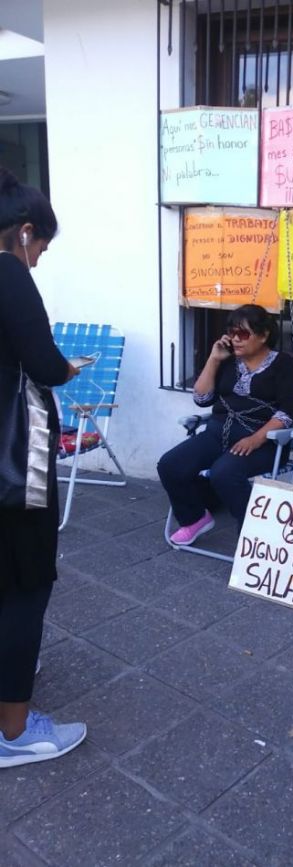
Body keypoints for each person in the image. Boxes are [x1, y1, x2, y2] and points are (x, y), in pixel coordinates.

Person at [0, 168, 87, 767]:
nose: (37, 262)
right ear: (25, 232)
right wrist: (68, 368)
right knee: (26, 584)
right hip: (10, 464)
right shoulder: (6, 271)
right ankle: (15, 732)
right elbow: (44, 362)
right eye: (42, 250)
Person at [158, 304, 293, 544]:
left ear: (264, 334)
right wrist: (214, 359)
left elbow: (287, 413)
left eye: (243, 334)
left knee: (224, 473)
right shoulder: (227, 361)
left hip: (263, 441)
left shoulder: (284, 365)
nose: (235, 339)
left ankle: (252, 535)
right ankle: (194, 518)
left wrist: (256, 439)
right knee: (170, 464)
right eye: (232, 333)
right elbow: (201, 399)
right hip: (217, 434)